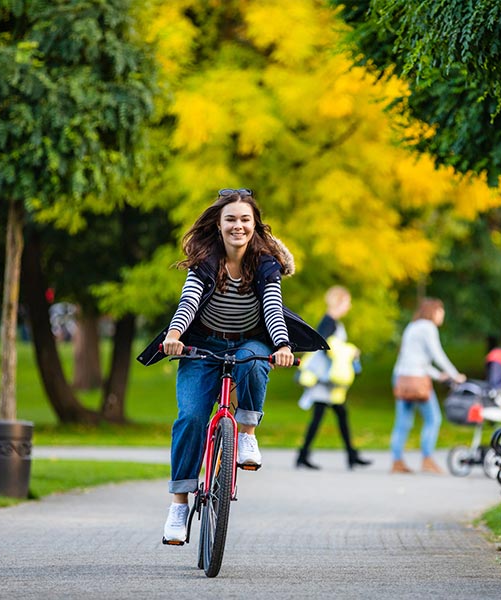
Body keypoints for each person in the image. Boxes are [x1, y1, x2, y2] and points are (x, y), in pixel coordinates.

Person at [159, 188, 327, 545]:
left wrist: (281, 345)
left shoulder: (265, 262)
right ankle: (178, 504)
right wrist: (175, 334)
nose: (238, 226)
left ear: (255, 225)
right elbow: (189, 301)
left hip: (248, 339)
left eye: (245, 219)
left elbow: (272, 306)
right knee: (190, 417)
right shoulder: (206, 259)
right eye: (231, 219)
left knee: (254, 361)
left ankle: (247, 435)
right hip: (202, 343)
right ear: (219, 225)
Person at [295, 286, 372, 471]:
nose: (349, 305)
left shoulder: (333, 322)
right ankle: (304, 456)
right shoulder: (329, 322)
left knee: (339, 415)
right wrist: (350, 350)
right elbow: (325, 347)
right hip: (325, 381)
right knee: (321, 417)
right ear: (339, 301)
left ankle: (350, 455)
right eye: (347, 302)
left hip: (329, 382)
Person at [390, 297, 466, 474]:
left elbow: (416, 359)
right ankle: (427, 458)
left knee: (403, 421)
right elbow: (437, 354)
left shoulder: (413, 326)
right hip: (417, 380)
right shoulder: (428, 327)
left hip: (401, 377)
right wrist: (456, 375)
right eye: (441, 312)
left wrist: (438, 375)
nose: (442, 316)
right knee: (433, 419)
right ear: (433, 312)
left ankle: (396, 461)